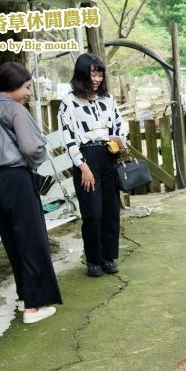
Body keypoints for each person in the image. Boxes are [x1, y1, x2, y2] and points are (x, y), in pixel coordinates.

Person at [0, 62, 62, 325]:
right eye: (26, 88)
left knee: (14, 243)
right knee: (32, 241)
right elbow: (31, 147)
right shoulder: (15, 109)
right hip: (17, 179)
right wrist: (39, 151)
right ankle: (33, 308)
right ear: (13, 87)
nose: (28, 93)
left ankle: (25, 296)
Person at [58, 53, 127, 278]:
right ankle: (93, 260)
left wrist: (119, 141)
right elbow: (67, 138)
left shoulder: (108, 99)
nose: (97, 79)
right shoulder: (69, 101)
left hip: (108, 155)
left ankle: (109, 257)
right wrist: (83, 167)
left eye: (100, 74)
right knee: (93, 213)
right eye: (92, 74)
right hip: (86, 158)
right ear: (81, 75)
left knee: (110, 212)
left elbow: (119, 124)